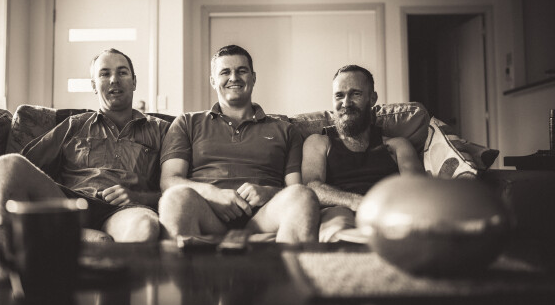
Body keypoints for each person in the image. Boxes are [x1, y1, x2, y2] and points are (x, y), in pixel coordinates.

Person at [0, 48, 170, 242]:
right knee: (9, 164)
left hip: (124, 210)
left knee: (145, 226)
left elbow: (178, 186)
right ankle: (9, 278)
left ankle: (120, 289)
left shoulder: (161, 130)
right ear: (94, 85)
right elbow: (25, 162)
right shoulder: (75, 124)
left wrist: (139, 196)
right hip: (68, 205)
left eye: (122, 72)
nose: (114, 79)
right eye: (104, 74)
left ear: (134, 82)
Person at [158, 45, 319, 243]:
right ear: (213, 81)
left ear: (253, 78)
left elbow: (295, 188)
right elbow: (169, 181)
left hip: (263, 218)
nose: (234, 78)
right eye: (225, 72)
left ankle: (288, 264)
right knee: (175, 198)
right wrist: (211, 194)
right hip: (207, 215)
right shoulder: (187, 122)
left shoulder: (285, 130)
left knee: (303, 196)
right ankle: (185, 264)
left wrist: (267, 192)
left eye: (241, 71)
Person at [301, 65, 424, 242]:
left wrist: (380, 208)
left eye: (355, 94)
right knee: (338, 232)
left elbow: (417, 189)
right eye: (339, 95)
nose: (346, 103)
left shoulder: (397, 146)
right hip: (339, 212)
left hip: (387, 212)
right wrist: (357, 202)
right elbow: (312, 187)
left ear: (372, 98)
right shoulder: (318, 142)